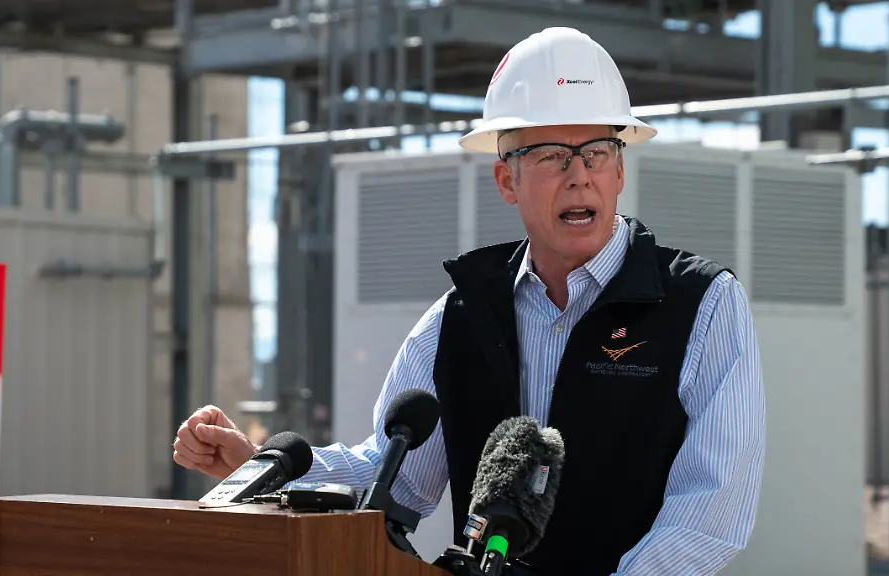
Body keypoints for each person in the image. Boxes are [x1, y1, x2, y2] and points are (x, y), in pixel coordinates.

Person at [173, 26, 766, 576]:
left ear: (619, 172)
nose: (579, 175)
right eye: (552, 157)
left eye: (597, 153)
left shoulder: (703, 307)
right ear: (506, 181)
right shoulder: (461, 315)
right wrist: (262, 466)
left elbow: (710, 514)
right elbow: (393, 475)